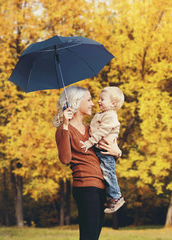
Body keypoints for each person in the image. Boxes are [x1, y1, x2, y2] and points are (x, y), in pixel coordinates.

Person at [53, 85, 122, 240]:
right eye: (89, 100)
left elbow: (107, 152)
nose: (93, 103)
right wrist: (64, 124)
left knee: (93, 236)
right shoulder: (64, 129)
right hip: (86, 187)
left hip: (101, 187)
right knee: (88, 236)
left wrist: (117, 152)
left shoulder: (90, 129)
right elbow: (65, 159)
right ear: (76, 103)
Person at [80, 86, 125, 214]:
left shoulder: (110, 116)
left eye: (102, 99)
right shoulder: (102, 114)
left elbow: (102, 131)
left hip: (104, 151)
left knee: (108, 173)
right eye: (98, 98)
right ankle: (112, 197)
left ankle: (116, 196)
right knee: (106, 174)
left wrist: (90, 142)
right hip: (101, 150)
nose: (98, 101)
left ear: (113, 103)